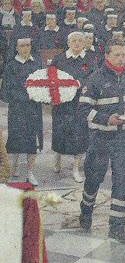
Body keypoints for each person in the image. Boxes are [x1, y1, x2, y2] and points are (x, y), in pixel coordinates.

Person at [78, 39, 125, 244]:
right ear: (107, 55)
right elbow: (83, 110)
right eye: (117, 54)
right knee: (94, 177)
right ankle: (86, 209)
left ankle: (117, 227)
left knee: (122, 180)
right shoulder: (95, 79)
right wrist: (107, 119)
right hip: (100, 138)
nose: (121, 58)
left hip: (124, 137)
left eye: (123, 55)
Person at [50, 31, 95, 182]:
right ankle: (57, 160)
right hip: (62, 103)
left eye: (80, 41)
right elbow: (51, 78)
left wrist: (80, 85)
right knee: (60, 133)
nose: (77, 43)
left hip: (80, 103)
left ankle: (76, 168)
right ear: (68, 43)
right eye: (74, 41)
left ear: (84, 43)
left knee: (80, 135)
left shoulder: (90, 59)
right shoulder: (59, 59)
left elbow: (92, 79)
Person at [1, 37, 42, 186]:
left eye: (28, 45)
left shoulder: (37, 64)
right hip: (17, 109)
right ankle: (13, 168)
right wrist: (24, 97)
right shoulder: (11, 66)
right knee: (15, 139)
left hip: (33, 109)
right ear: (16, 48)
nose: (25, 48)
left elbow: (42, 85)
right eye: (22, 46)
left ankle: (30, 173)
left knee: (32, 141)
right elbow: (5, 92)